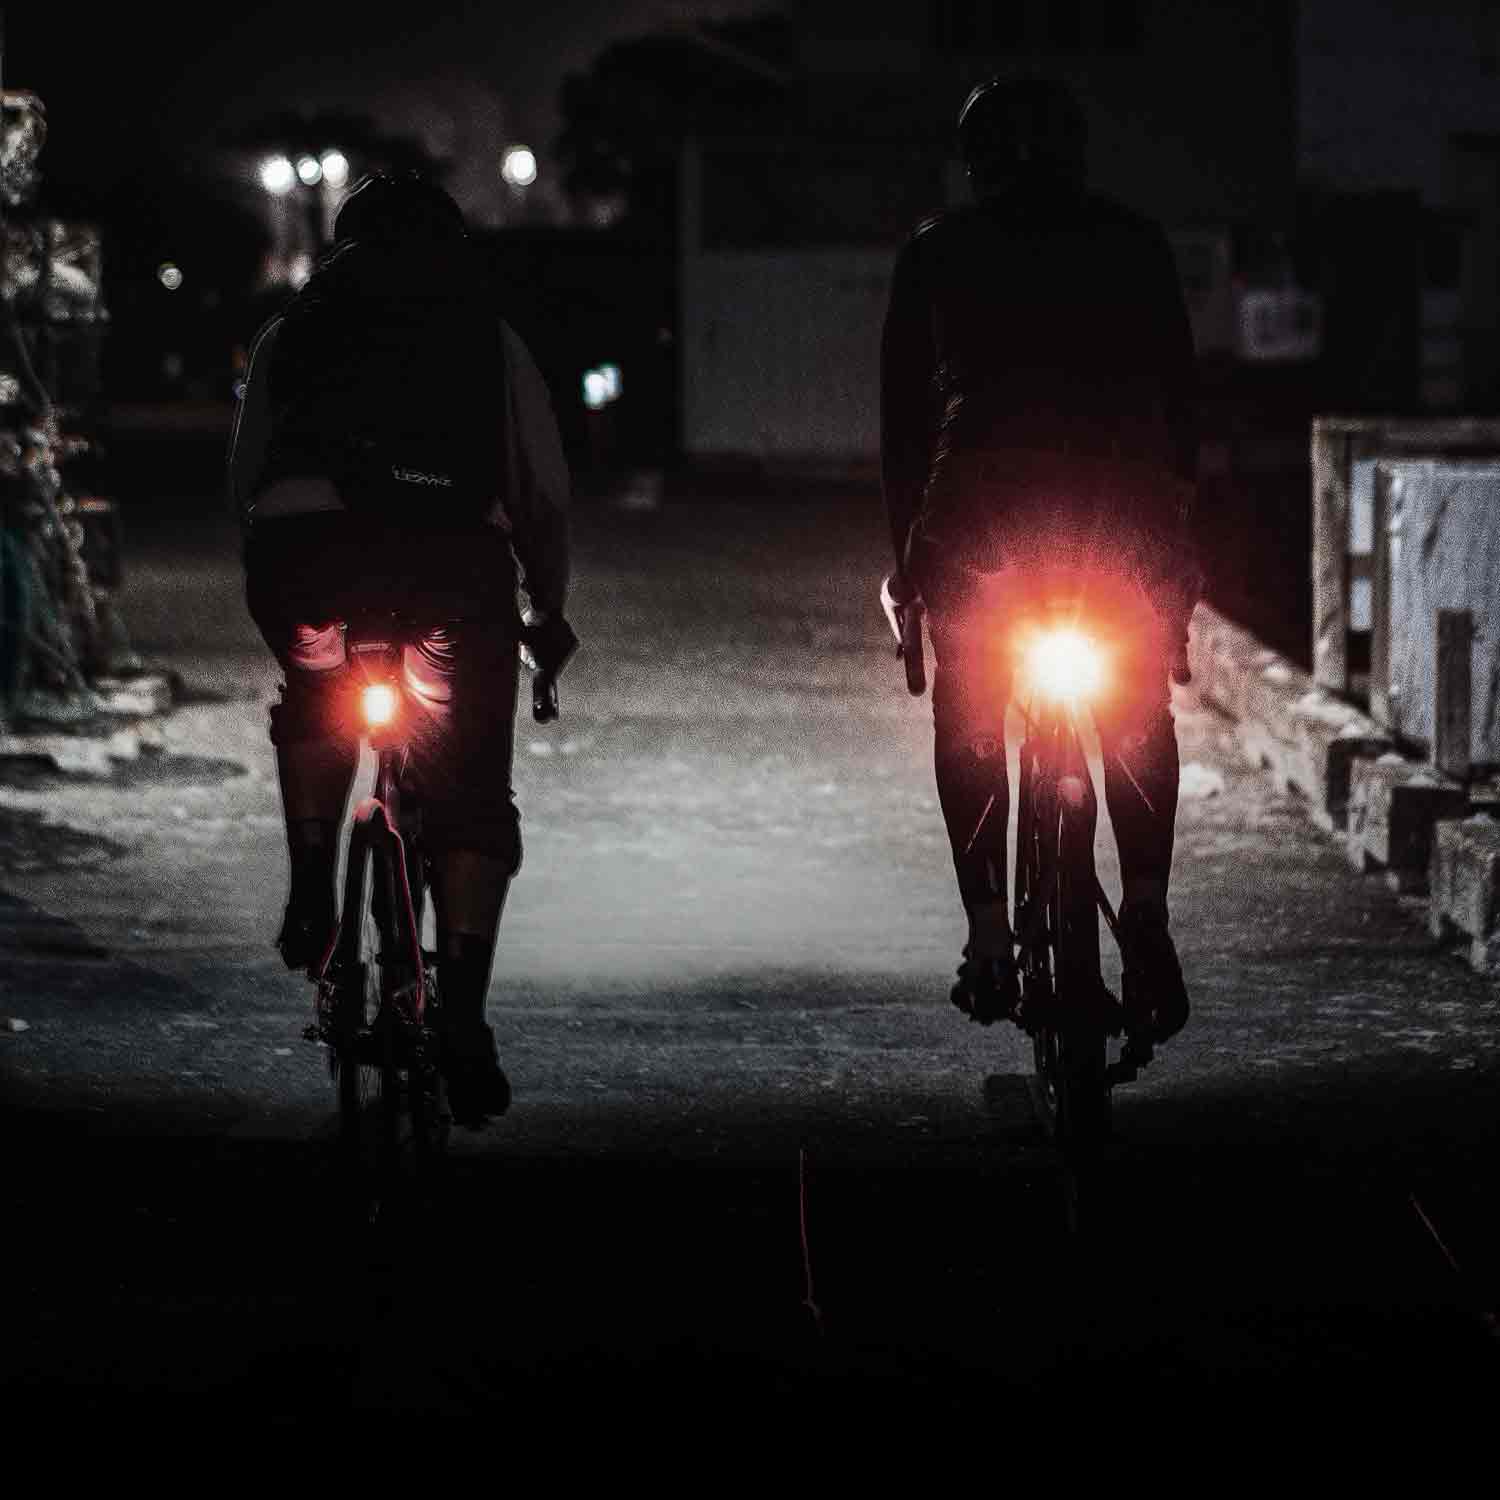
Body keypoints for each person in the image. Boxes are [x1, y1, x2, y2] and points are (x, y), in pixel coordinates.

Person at [228, 171, 575, 1124]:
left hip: (306, 566)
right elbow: (540, 493)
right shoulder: (486, 337)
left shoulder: (291, 331)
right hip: (446, 574)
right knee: (467, 798)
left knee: (315, 694)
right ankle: (461, 1018)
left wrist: (276, 579)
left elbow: (247, 477)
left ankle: (310, 895)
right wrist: (545, 610)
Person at [880, 77, 1201, 1045]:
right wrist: (1181, 553)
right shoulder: (1136, 243)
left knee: (973, 715)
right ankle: (1143, 904)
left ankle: (985, 930)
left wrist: (905, 565)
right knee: (1138, 709)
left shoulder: (935, 252)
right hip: (1120, 521)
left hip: (976, 522)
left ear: (975, 162)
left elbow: (902, 430)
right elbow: (1181, 412)